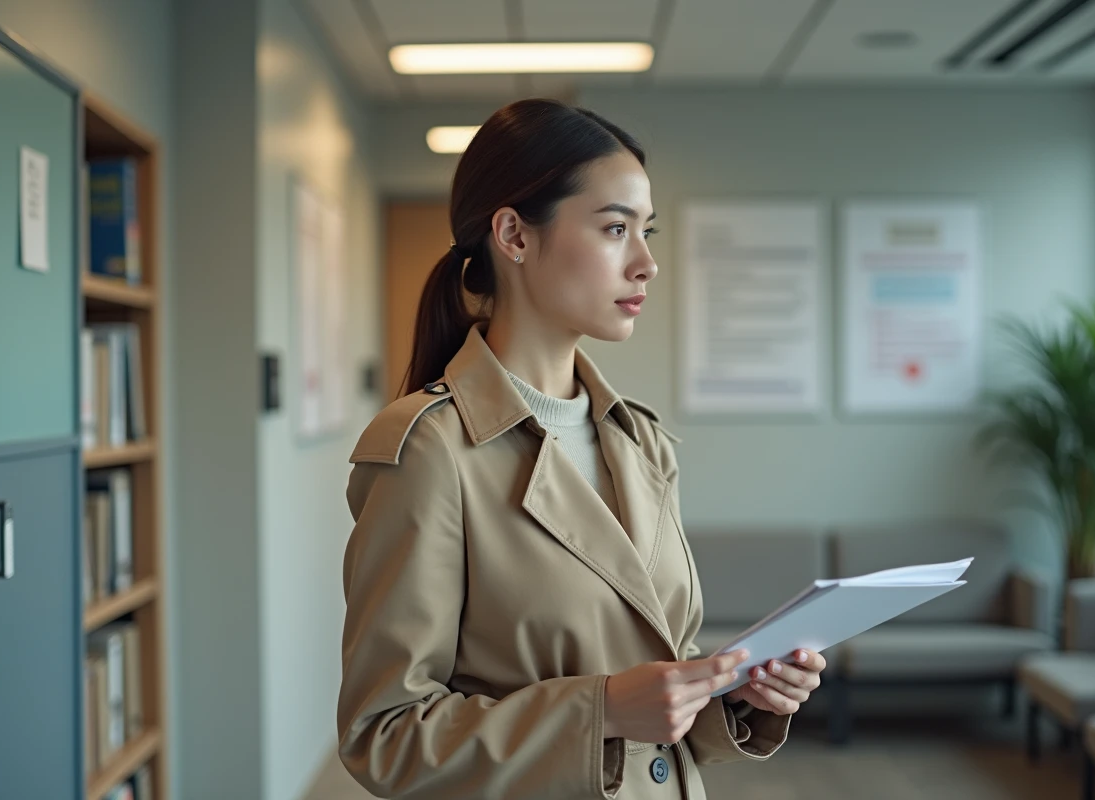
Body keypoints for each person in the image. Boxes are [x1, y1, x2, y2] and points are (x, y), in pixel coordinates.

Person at [336, 98, 825, 800]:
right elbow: (383, 736)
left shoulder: (642, 442)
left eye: (646, 231)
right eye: (615, 228)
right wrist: (600, 712)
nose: (647, 263)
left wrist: (734, 697)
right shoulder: (429, 450)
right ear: (514, 235)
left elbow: (653, 686)